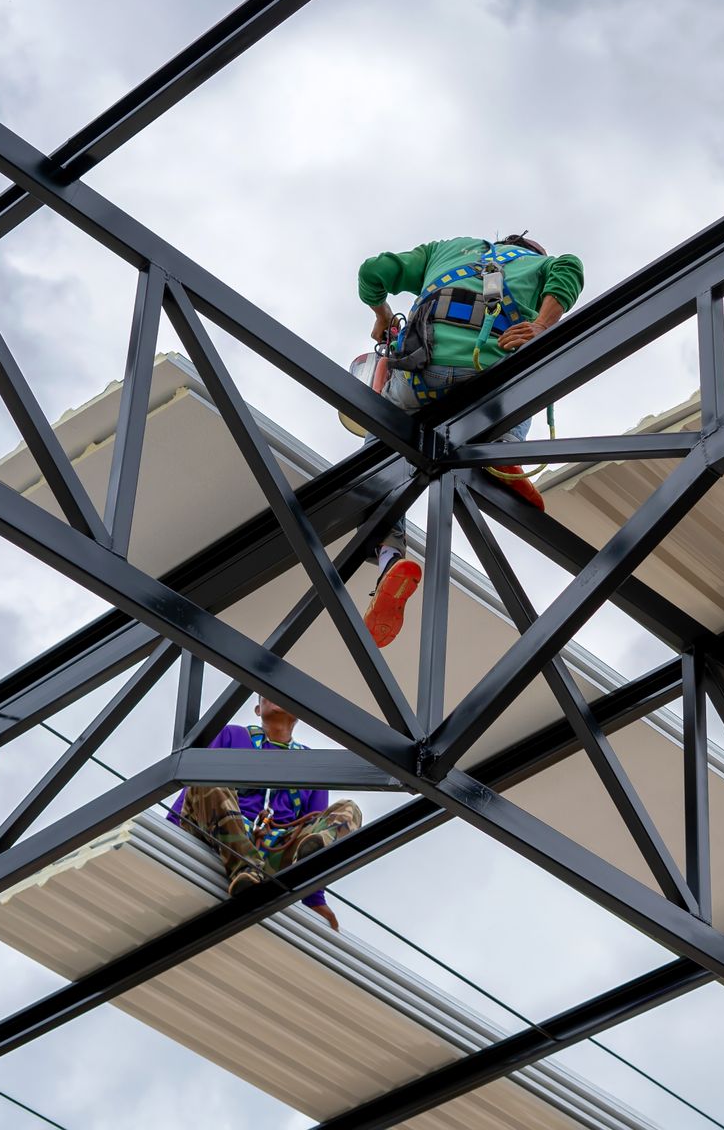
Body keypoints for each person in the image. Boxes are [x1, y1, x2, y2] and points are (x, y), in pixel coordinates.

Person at [355, 232, 585, 647]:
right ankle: (503, 450)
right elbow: (572, 268)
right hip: (489, 381)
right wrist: (539, 325)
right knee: (529, 367)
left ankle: (389, 553)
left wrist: (382, 313)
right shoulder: (538, 266)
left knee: (380, 436)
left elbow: (373, 271)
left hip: (421, 378)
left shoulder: (440, 252)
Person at [168, 697, 363, 931]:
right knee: (209, 775)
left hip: (274, 848)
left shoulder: (312, 763)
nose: (275, 696)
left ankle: (300, 864)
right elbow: (193, 789)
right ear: (258, 709)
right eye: (265, 694)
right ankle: (243, 869)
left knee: (350, 810)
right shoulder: (232, 735)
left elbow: (316, 821)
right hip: (218, 829)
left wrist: (314, 899)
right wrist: (167, 834)